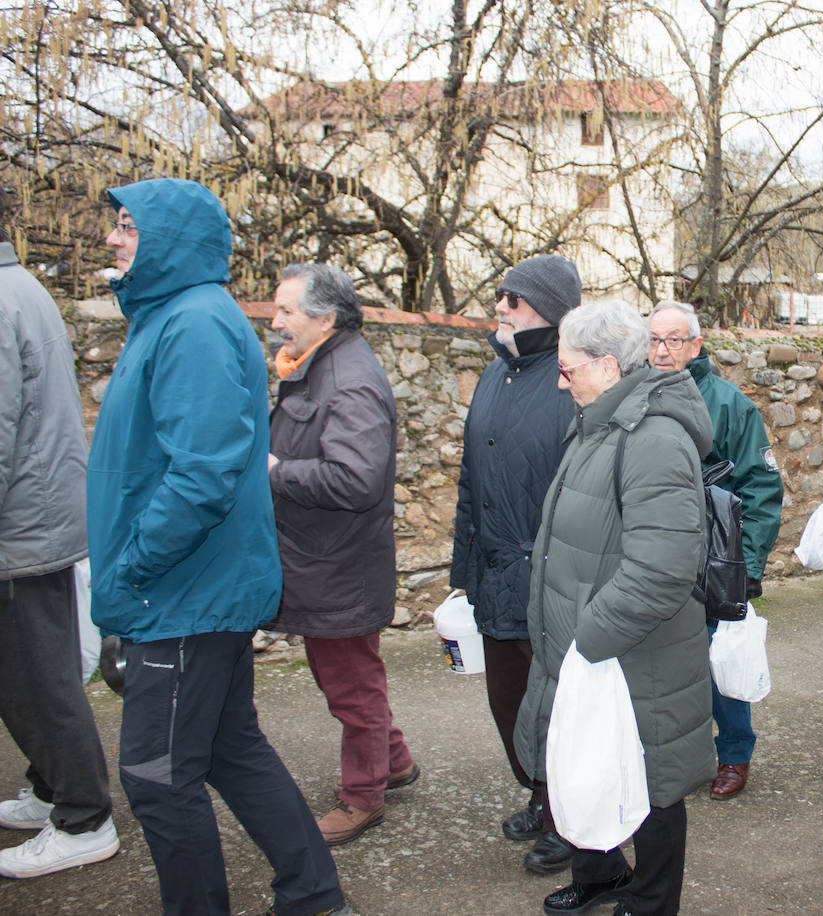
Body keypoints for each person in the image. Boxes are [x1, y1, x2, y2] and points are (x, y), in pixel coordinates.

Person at [87, 178, 349, 915]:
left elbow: (200, 475)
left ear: (169, 238)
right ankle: (314, 894)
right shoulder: (173, 317)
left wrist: (134, 569)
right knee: (230, 748)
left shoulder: (194, 323)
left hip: (180, 594)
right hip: (192, 589)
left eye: (130, 226)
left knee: (157, 778)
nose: (113, 237)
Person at [514, 300, 714, 916]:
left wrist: (588, 638)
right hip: (588, 648)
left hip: (634, 653)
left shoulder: (652, 438)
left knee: (651, 780)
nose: (559, 378)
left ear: (606, 366)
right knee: (585, 763)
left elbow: (663, 568)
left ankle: (653, 899)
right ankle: (599, 873)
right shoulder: (598, 424)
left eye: (568, 367)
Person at [266, 263, 416, 846]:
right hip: (321, 562)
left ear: (326, 318)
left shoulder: (347, 379)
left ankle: (363, 796)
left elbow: (356, 480)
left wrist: (278, 473)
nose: (276, 322)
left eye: (286, 312)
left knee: (352, 685)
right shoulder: (317, 365)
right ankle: (395, 760)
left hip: (338, 568)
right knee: (350, 676)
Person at [0, 193, 120, 879]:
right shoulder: (23, 289)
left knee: (38, 680)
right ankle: (54, 790)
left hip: (22, 528)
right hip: (35, 517)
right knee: (30, 675)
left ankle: (82, 816)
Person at [449, 254, 579, 874]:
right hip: (495, 574)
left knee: (555, 707)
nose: (500, 306)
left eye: (514, 299)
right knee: (508, 701)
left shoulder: (569, 381)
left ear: (549, 313)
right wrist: (463, 573)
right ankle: (538, 793)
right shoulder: (491, 377)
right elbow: (470, 484)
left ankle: (569, 818)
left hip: (550, 581)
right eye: (502, 296)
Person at [646, 300, 782, 801]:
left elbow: (762, 490)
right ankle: (675, 751)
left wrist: (744, 569)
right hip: (653, 556)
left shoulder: (729, 405)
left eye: (673, 340)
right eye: (654, 340)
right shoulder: (633, 396)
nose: (662, 351)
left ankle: (735, 754)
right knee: (662, 665)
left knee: (720, 662)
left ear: (696, 345)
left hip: (712, 560)